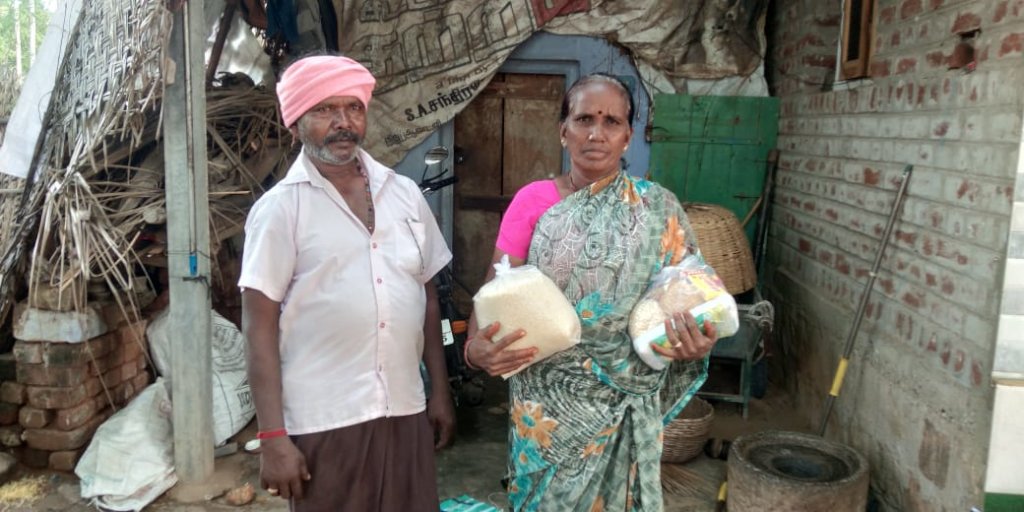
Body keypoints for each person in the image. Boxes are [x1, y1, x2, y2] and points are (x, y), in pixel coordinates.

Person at [464, 73, 719, 510]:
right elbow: (495, 289)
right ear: (563, 131)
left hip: (626, 395)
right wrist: (472, 349)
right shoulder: (533, 201)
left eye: (611, 121)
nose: (596, 133)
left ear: (628, 137)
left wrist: (695, 338)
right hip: (546, 398)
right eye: (583, 119)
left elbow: (690, 295)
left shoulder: (658, 208)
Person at [238, 54, 455, 511]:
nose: (343, 123)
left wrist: (440, 391)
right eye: (324, 110)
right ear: (296, 121)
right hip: (325, 419)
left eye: (353, 108)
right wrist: (273, 436)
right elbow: (258, 327)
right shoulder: (280, 210)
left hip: (404, 407)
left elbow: (428, 298)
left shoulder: (404, 195)